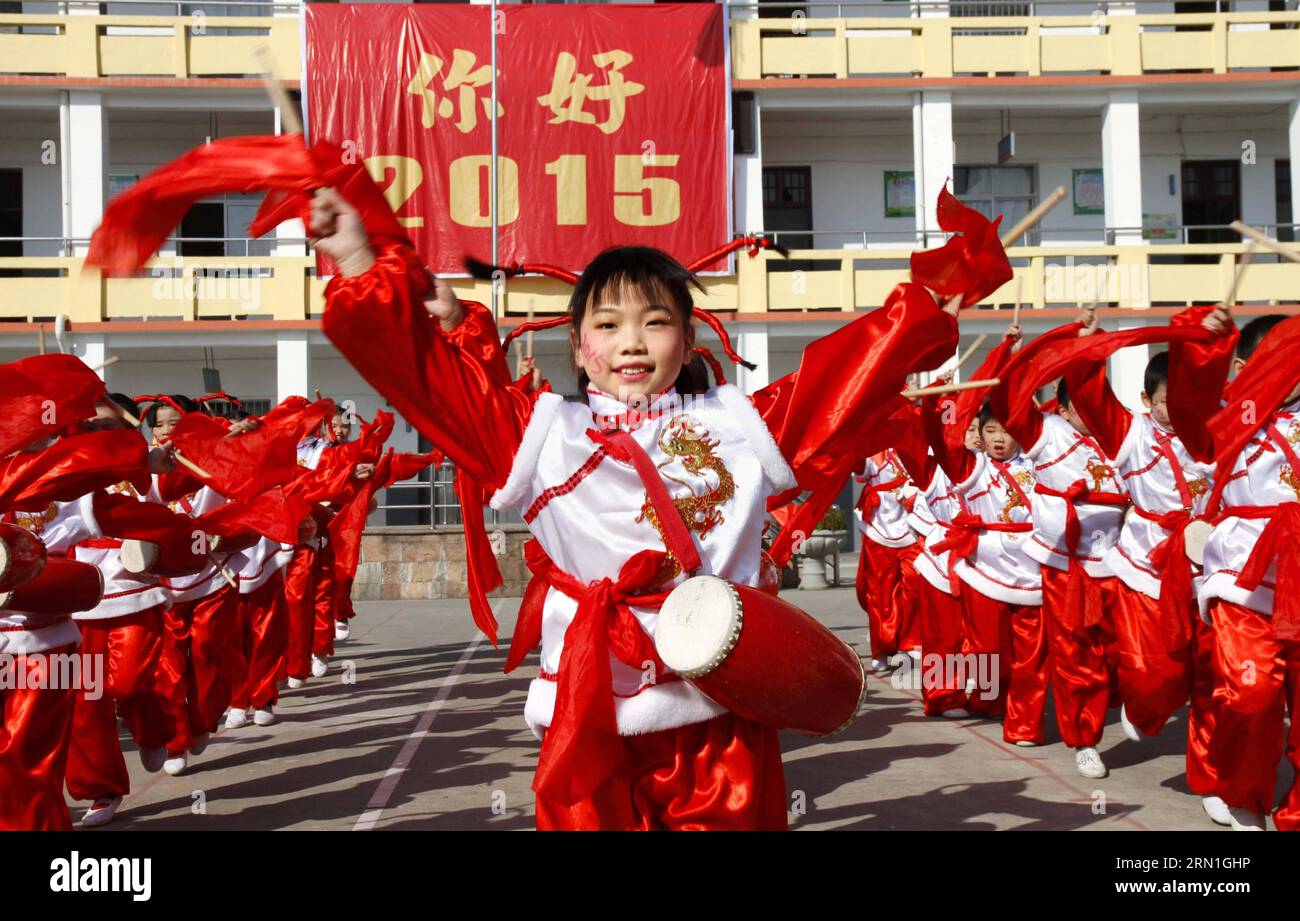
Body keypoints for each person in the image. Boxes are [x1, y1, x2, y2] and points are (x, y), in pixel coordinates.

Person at [308, 183, 963, 829]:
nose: (632, 342)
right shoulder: (539, 433)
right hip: (589, 712)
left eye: (656, 322)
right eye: (608, 324)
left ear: (686, 338)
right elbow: (423, 377)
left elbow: (839, 375)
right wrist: (361, 262)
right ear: (577, 344)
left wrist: (932, 298)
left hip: (716, 709)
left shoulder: (737, 424)